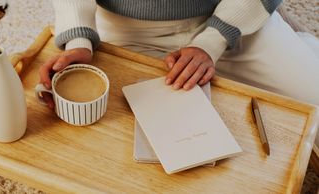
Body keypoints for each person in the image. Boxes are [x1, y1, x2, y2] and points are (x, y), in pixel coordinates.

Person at [40, 1, 319, 146]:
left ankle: (303, 45)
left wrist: (214, 39)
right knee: (117, 139)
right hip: (127, 28)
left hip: (232, 14)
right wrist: (79, 40)